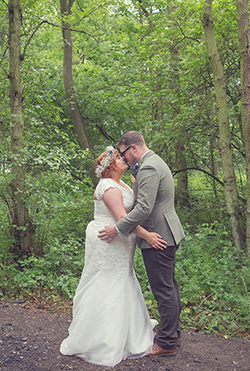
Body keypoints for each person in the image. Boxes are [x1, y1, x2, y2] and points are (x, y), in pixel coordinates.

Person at [60, 146, 166, 367]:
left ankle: (130, 329)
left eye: (121, 156)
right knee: (108, 282)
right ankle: (103, 338)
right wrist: (148, 236)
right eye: (118, 158)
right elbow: (121, 217)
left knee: (123, 279)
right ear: (109, 166)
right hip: (109, 240)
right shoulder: (108, 186)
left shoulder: (123, 183)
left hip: (120, 241)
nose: (123, 159)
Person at [98, 131, 185, 357]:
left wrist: (118, 228)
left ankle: (166, 343)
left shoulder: (148, 167)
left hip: (157, 235)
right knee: (169, 287)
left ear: (133, 148)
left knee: (163, 290)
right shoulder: (153, 161)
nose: (124, 158)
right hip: (164, 232)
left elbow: (144, 208)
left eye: (125, 153)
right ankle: (171, 333)